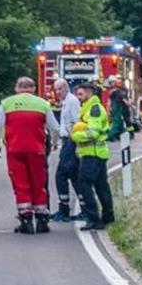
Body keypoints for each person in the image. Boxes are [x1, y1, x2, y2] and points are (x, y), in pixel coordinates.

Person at [0, 77, 59, 234]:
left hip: (15, 150)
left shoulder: (7, 103)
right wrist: (55, 143)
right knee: (38, 184)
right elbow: (54, 128)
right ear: (33, 88)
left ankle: (26, 220)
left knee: (21, 185)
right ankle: (42, 220)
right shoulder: (42, 104)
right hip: (37, 150)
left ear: (17, 88)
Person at [71, 81, 115, 230]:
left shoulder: (94, 109)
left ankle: (93, 218)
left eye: (81, 94)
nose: (78, 97)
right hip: (96, 153)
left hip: (92, 154)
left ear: (90, 93)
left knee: (84, 185)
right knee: (101, 186)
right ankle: (108, 217)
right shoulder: (89, 108)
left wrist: (76, 136)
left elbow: (93, 132)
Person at [50, 78, 82, 222]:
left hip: (71, 141)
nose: (57, 92)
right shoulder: (65, 102)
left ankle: (64, 209)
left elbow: (75, 122)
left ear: (66, 88)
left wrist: (72, 143)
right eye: (56, 89)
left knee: (61, 176)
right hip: (67, 141)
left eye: (60, 89)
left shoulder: (72, 101)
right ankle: (83, 207)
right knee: (74, 176)